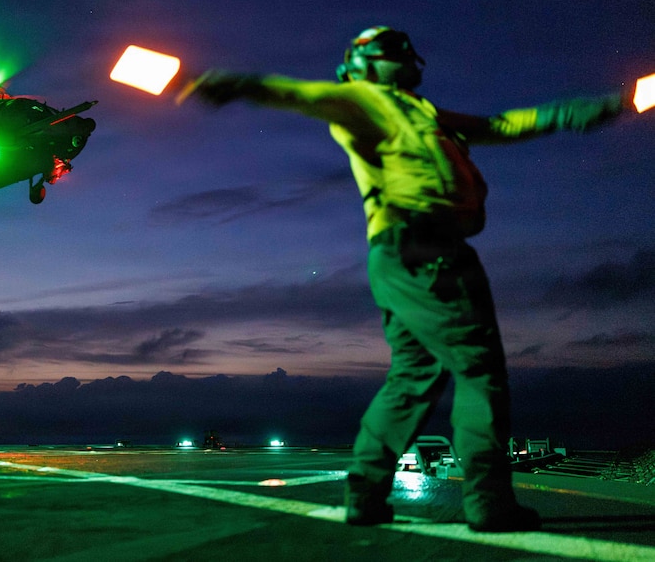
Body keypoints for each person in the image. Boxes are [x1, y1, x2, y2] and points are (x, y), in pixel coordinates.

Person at [182, 26, 628, 532]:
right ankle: (489, 504)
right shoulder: (362, 100)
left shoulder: (425, 111)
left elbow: (499, 125)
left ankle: (366, 495)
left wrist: (569, 114)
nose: (412, 60)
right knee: (479, 371)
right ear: (363, 64)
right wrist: (234, 84)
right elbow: (298, 94)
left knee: (413, 376)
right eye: (396, 53)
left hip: (408, 255)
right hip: (425, 248)